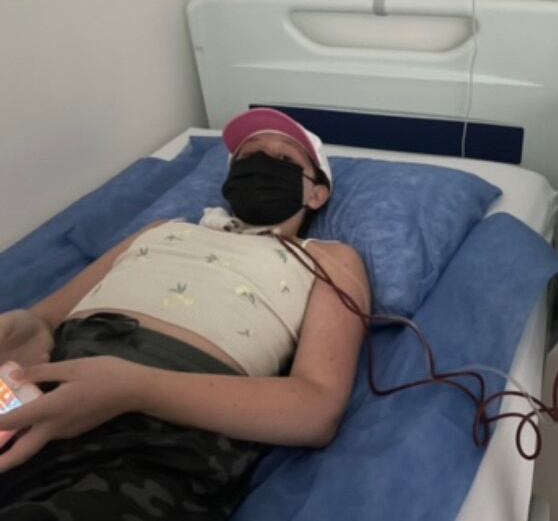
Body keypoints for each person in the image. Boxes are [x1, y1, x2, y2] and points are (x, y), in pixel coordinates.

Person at [0, 108, 371, 521]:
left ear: (317, 194)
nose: (262, 164)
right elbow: (45, 318)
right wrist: (26, 327)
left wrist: (138, 388)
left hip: (160, 436)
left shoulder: (327, 258)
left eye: (286, 160)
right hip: (45, 393)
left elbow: (315, 410)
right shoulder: (160, 230)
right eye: (248, 158)